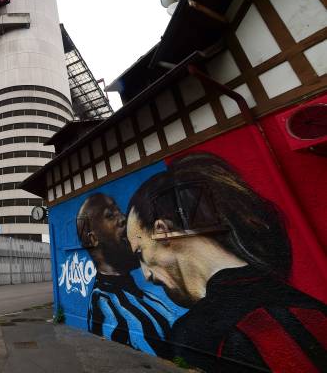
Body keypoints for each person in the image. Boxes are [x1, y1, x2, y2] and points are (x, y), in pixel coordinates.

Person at [126, 152, 327, 372]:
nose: (146, 275)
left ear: (163, 232)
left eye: (140, 253)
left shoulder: (197, 334)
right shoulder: (307, 305)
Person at [76, 193, 186, 357]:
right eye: (110, 215)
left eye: (119, 211)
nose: (123, 218)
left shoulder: (142, 295)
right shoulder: (105, 306)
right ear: (92, 239)